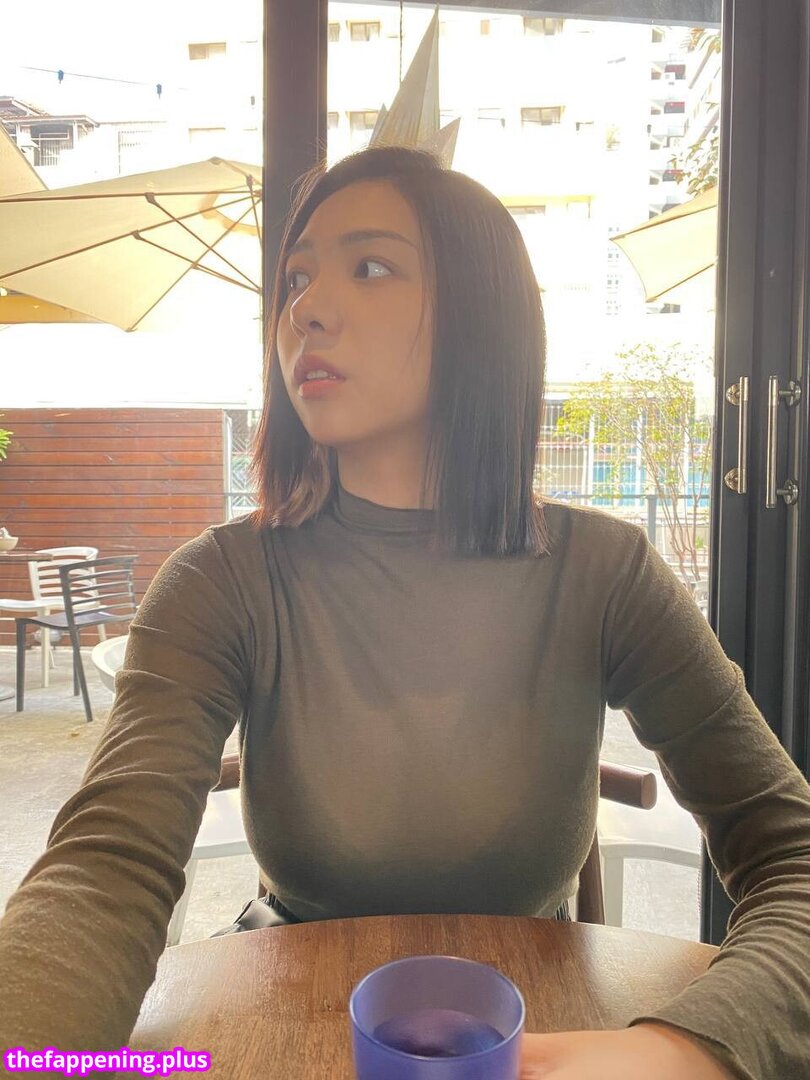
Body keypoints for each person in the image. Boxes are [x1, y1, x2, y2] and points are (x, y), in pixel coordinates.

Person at [0, 145, 808, 1079]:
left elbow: (791, 855)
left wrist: (686, 1049)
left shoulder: (606, 573)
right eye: (295, 278)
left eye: (372, 266)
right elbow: (104, 871)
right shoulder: (222, 581)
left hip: (541, 1016)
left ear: (482, 316)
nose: (304, 308)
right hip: (288, 1011)